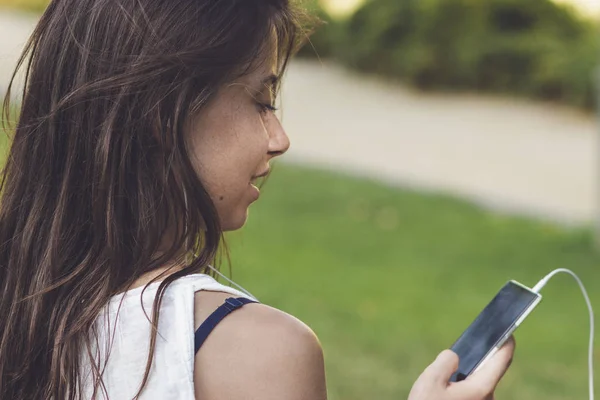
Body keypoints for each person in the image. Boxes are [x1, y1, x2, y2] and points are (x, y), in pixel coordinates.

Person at [0, 0, 515, 399]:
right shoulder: (253, 352)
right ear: (161, 111)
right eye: (261, 101)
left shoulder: (22, 303)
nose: (279, 138)